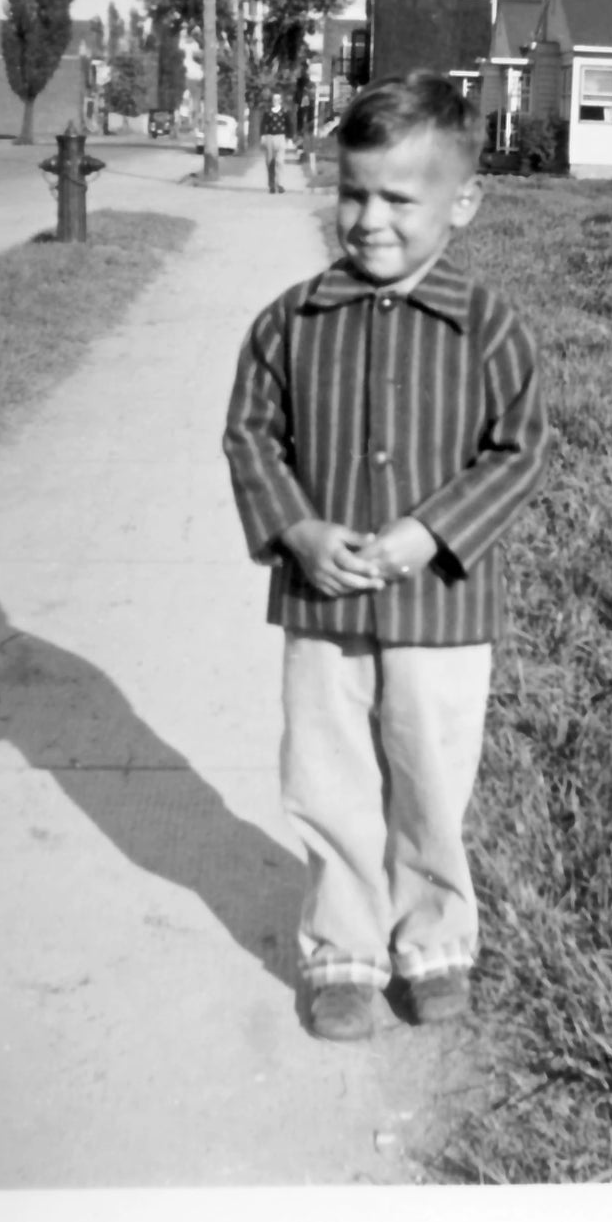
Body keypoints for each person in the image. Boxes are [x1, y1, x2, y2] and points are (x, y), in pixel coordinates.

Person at [224, 73, 549, 1042]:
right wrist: (298, 531)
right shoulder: (291, 320)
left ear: (462, 203)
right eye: (352, 190)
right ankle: (344, 950)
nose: (367, 218)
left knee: (429, 778)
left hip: (441, 610)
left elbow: (518, 445)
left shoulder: (487, 322)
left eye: (398, 198)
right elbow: (251, 436)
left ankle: (435, 939)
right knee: (326, 781)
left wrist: (430, 530)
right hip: (322, 607)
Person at [260, 93, 290, 192]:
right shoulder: (268, 112)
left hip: (281, 136)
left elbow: (289, 124)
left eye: (277, 99)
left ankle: (279, 184)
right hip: (269, 137)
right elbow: (263, 124)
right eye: (274, 99)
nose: (275, 101)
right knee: (270, 161)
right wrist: (263, 136)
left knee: (280, 161)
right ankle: (271, 184)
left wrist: (289, 138)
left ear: (280, 100)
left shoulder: (285, 112)